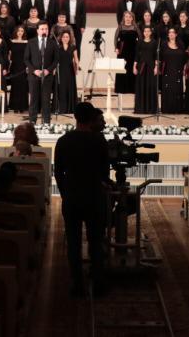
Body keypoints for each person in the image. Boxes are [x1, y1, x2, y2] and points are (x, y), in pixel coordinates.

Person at [53, 102, 110, 296]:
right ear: (92, 119)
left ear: (75, 118)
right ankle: (99, 282)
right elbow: (104, 172)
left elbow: (58, 172)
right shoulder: (99, 141)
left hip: (72, 196)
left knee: (74, 241)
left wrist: (64, 192)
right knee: (95, 240)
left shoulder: (63, 140)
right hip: (94, 195)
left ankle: (77, 283)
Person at [26, 23, 58, 125]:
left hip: (47, 75)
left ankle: (46, 121)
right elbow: (26, 59)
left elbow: (56, 59)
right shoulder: (31, 42)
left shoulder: (53, 43)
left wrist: (48, 70)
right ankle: (32, 121)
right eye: (42, 29)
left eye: (46, 29)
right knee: (34, 99)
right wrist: (34, 70)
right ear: (38, 30)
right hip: (34, 75)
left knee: (46, 99)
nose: (44, 31)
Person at [134, 25, 160, 114]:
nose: (146, 33)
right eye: (145, 31)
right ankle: (141, 108)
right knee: (141, 86)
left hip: (151, 66)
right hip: (141, 67)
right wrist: (134, 66)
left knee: (151, 86)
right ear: (143, 33)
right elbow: (137, 55)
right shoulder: (140, 42)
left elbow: (156, 56)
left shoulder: (154, 42)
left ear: (151, 32)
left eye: (148, 31)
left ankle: (151, 109)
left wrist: (156, 67)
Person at [160, 25, 186, 113]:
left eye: (173, 33)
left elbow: (185, 57)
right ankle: (167, 109)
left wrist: (183, 68)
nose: (171, 34)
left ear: (176, 34)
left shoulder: (181, 44)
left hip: (178, 70)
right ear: (168, 35)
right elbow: (160, 57)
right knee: (167, 90)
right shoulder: (163, 44)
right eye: (169, 33)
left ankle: (177, 109)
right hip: (167, 71)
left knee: (177, 90)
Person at [113, 9, 139, 95]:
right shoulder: (120, 27)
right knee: (122, 69)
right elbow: (116, 38)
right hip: (122, 51)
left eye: (130, 17)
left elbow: (141, 39)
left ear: (132, 18)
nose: (128, 18)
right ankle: (121, 89)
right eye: (126, 17)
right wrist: (116, 48)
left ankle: (132, 89)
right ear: (124, 18)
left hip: (133, 51)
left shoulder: (135, 27)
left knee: (131, 69)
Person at [56, 29, 80, 116]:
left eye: (67, 37)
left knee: (70, 87)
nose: (65, 38)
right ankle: (62, 108)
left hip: (70, 70)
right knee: (62, 88)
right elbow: (55, 60)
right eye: (64, 37)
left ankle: (70, 108)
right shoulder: (58, 47)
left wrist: (77, 68)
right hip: (61, 70)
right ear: (61, 38)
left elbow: (76, 59)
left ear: (70, 38)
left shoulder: (73, 47)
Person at [7, 25, 30, 113]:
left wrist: (28, 66)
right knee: (15, 86)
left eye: (22, 31)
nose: (20, 32)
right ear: (16, 32)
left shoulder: (27, 42)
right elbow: (9, 55)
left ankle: (23, 107)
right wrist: (9, 65)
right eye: (19, 31)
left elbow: (28, 55)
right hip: (15, 66)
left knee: (23, 86)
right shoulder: (11, 42)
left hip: (24, 66)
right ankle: (15, 106)